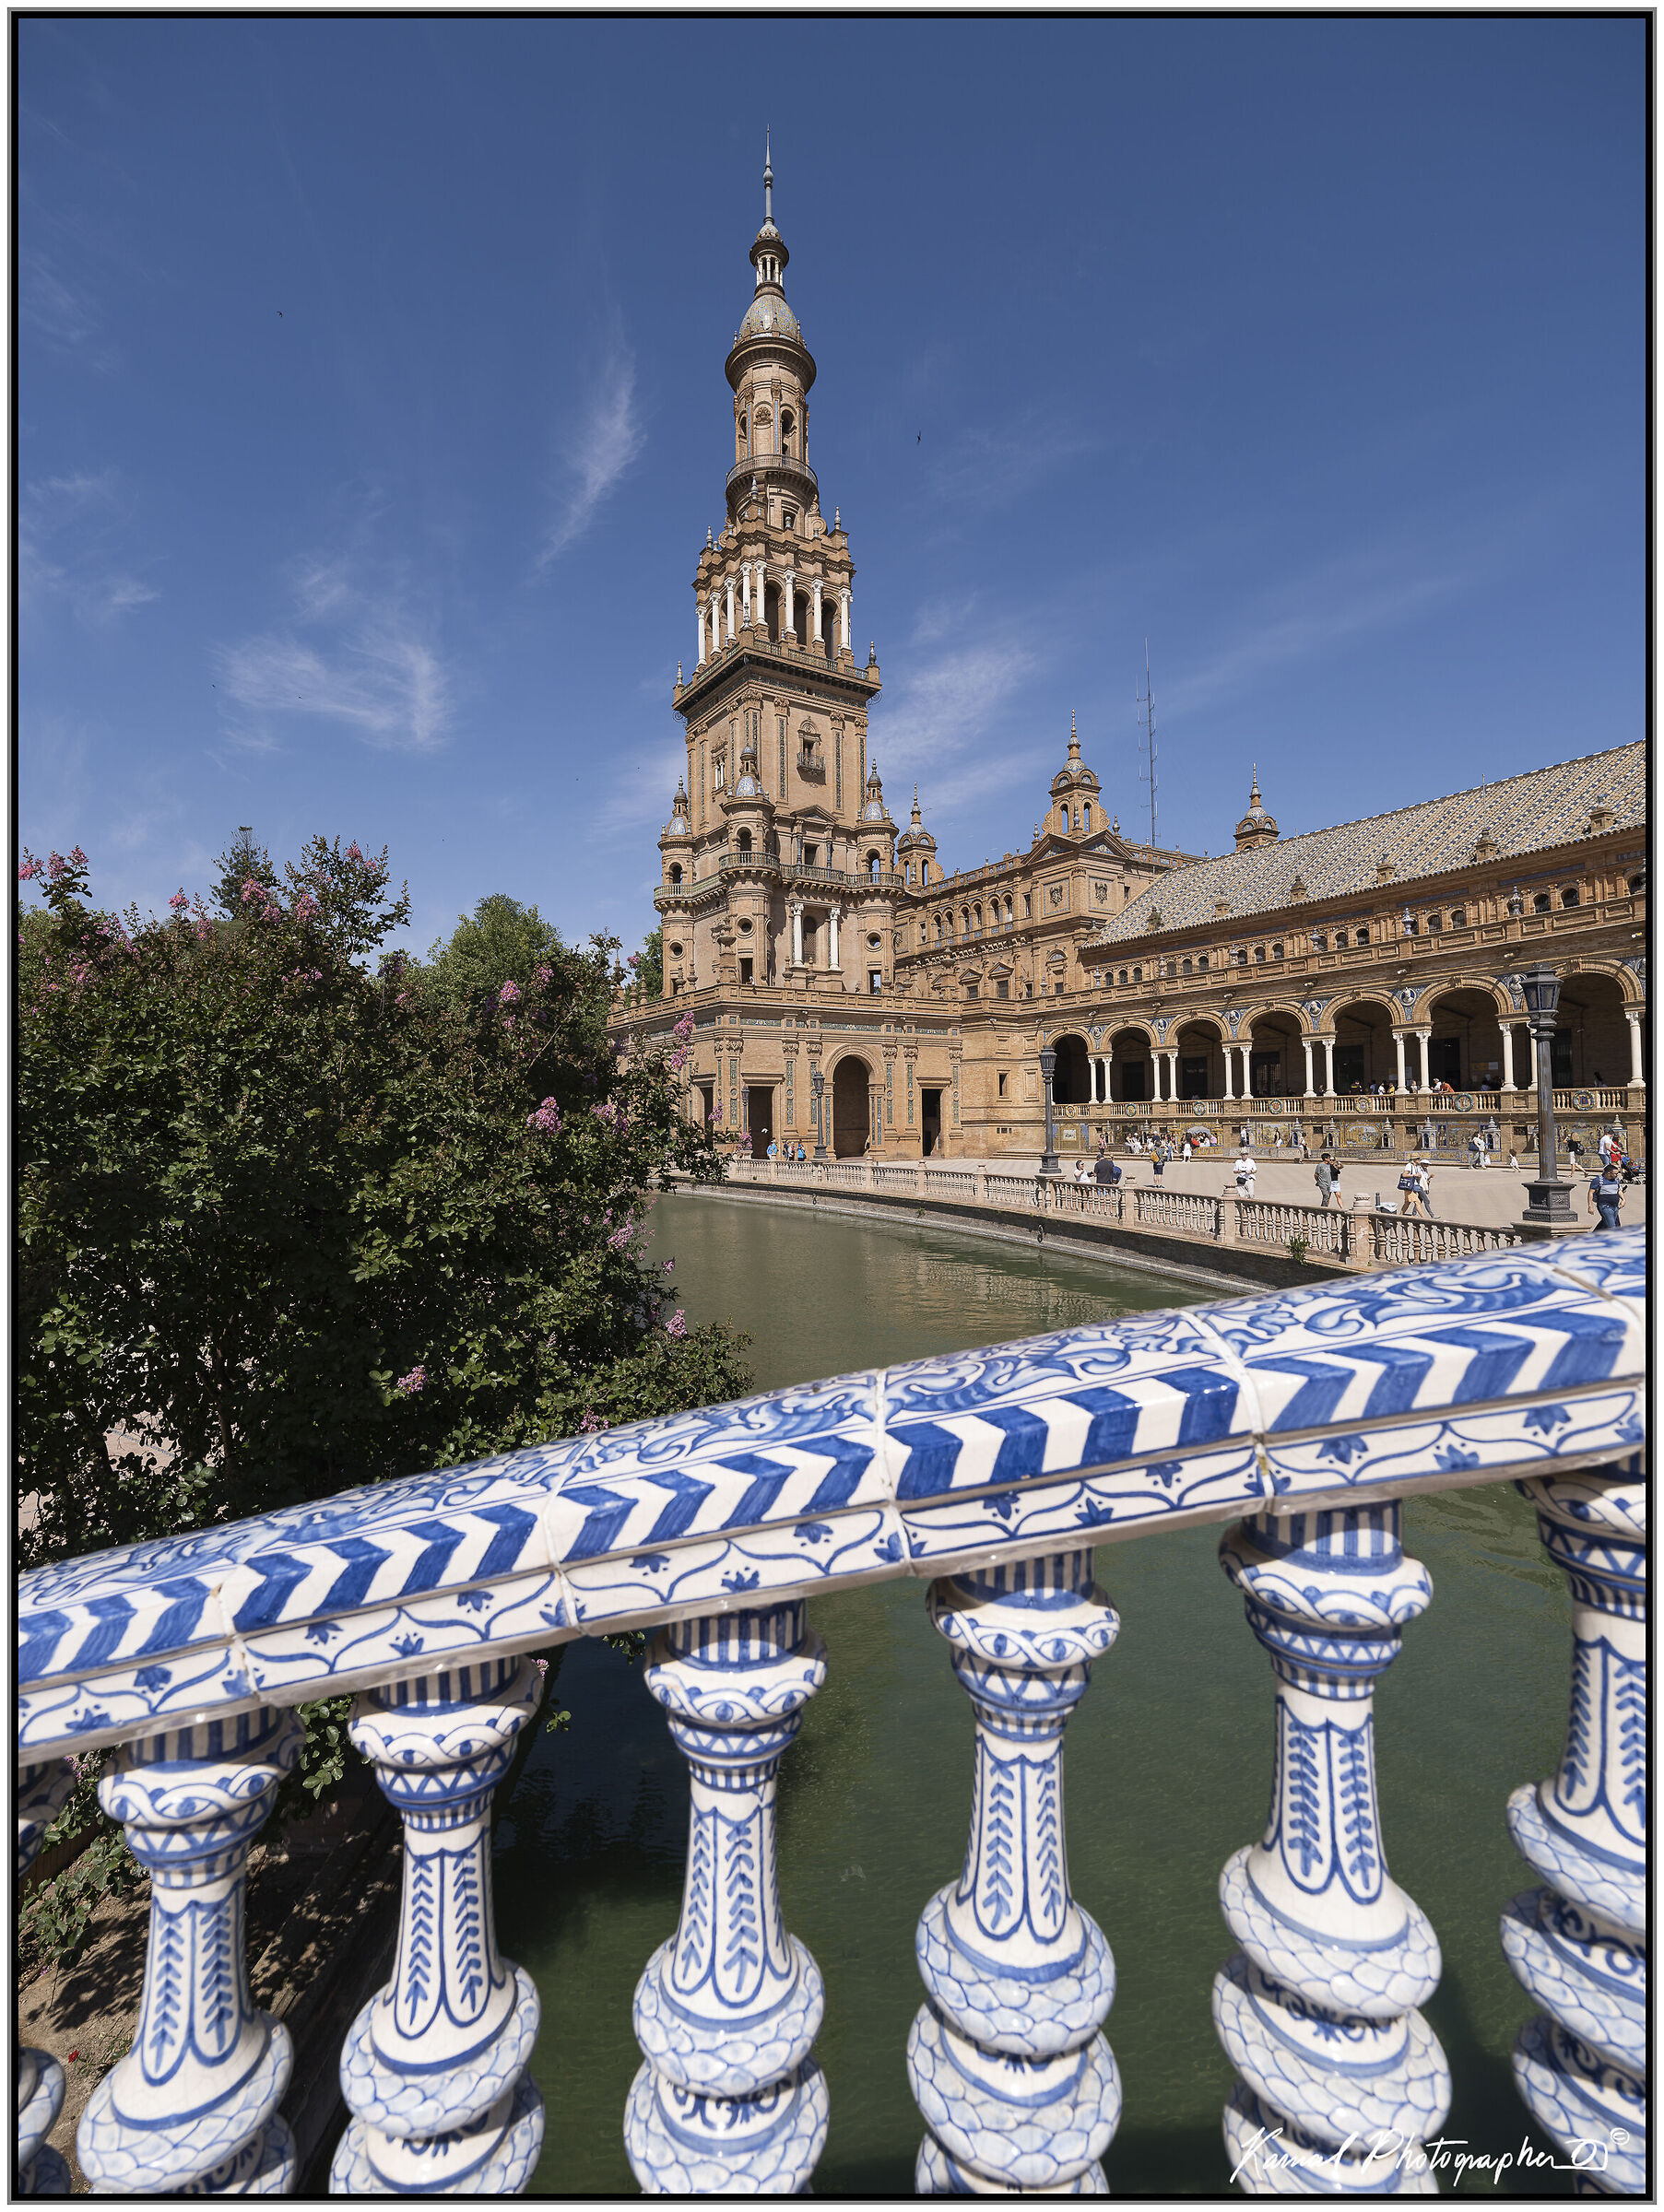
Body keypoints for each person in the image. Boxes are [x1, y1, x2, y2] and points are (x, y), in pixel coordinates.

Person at [1588, 1159, 1624, 1231]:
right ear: (1608, 1173)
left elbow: (1619, 1190)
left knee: (1605, 1222)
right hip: (1604, 1206)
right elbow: (1590, 1193)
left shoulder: (1616, 1180)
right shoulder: (1598, 1180)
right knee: (1612, 1226)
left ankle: (1595, 1235)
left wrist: (1623, 1199)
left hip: (1615, 1206)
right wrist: (1590, 1206)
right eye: (1615, 1174)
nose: (1617, 1175)